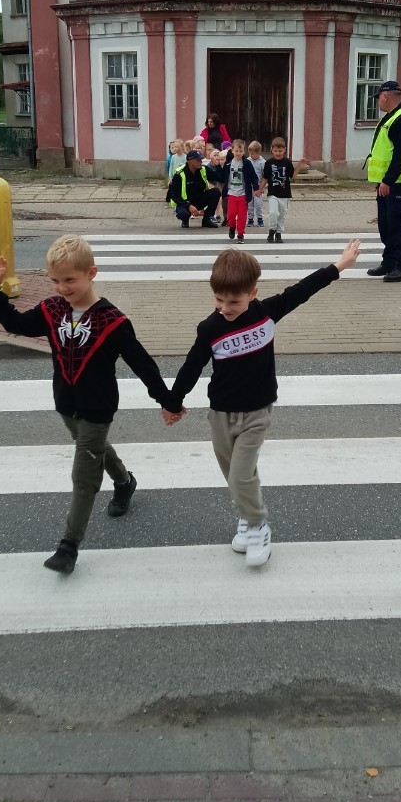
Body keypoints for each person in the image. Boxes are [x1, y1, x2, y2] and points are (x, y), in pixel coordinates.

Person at [0, 234, 179, 575]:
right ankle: (125, 482)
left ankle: (68, 546)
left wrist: (167, 400)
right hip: (66, 403)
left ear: (91, 273)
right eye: (55, 281)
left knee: (84, 473)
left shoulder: (112, 321)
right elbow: (17, 324)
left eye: (70, 280)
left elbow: (142, 364)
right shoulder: (52, 310)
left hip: (98, 407)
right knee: (94, 446)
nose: (62, 288)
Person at [162, 240, 361, 567]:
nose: (225, 308)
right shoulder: (210, 329)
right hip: (220, 415)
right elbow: (191, 367)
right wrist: (173, 403)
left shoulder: (266, 313)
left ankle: (258, 526)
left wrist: (340, 265)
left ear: (252, 293)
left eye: (234, 301)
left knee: (241, 477)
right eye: (219, 299)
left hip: (256, 412)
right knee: (235, 476)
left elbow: (303, 289)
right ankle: (247, 516)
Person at [365, 80, 401, 282]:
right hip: (386, 183)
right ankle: (389, 263)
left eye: (378, 97)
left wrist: (388, 180)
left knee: (397, 226)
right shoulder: (391, 117)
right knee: (386, 226)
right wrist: (383, 181)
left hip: (397, 184)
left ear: (385, 96)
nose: (378, 101)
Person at [259, 136, 306, 244]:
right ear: (272, 150)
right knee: (273, 213)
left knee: (282, 215)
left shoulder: (287, 162)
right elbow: (265, 178)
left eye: (280, 151)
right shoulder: (268, 163)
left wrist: (299, 165)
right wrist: (260, 189)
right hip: (273, 193)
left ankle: (279, 233)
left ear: (284, 150)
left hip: (285, 193)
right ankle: (272, 230)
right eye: (275, 151)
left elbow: (292, 176)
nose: (278, 153)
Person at [170, 150, 222, 228]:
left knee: (216, 192)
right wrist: (189, 206)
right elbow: (174, 196)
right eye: (198, 160)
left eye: (201, 159)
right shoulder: (179, 174)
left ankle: (207, 220)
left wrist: (217, 165)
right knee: (183, 214)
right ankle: (185, 221)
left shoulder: (203, 169)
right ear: (190, 161)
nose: (201, 162)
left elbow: (220, 178)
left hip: (199, 199)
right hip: (185, 203)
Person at [223, 138, 259, 243]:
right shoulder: (228, 163)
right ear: (232, 151)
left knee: (242, 216)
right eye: (236, 151)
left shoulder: (247, 163)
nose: (238, 153)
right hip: (231, 193)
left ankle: (240, 234)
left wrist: (256, 188)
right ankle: (232, 227)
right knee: (231, 214)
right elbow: (223, 176)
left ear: (244, 151)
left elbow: (254, 177)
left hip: (243, 193)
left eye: (241, 151)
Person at [246, 141, 265, 228]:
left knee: (258, 204)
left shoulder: (262, 162)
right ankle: (250, 219)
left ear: (258, 153)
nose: (251, 155)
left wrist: (262, 187)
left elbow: (264, 176)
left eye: (253, 154)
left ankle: (260, 219)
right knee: (249, 204)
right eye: (250, 153)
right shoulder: (248, 160)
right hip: (249, 186)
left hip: (258, 187)